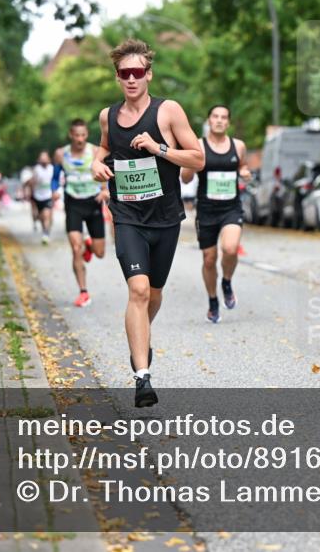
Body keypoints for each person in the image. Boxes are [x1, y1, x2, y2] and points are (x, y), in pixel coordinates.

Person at [91, 38, 204, 408]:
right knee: (137, 291)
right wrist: (96, 162)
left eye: (138, 72)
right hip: (126, 216)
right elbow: (105, 145)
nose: (132, 79)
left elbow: (198, 159)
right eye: (125, 73)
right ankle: (142, 378)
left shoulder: (168, 111)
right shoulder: (109, 116)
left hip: (166, 218)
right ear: (117, 78)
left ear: (149, 74)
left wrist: (159, 149)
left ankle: (141, 337)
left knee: (153, 294)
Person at [181, 105, 251, 323]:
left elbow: (242, 166)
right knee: (209, 259)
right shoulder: (199, 147)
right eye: (215, 117)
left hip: (231, 207)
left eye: (224, 117)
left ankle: (227, 282)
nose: (219, 120)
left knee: (230, 248)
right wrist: (192, 164)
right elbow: (185, 179)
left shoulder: (238, 146)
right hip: (207, 209)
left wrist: (244, 172)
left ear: (228, 122)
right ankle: (213, 300)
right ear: (209, 121)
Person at [54, 119, 109, 308]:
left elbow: (105, 171)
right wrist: (54, 190)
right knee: (75, 249)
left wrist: (104, 190)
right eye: (76, 135)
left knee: (100, 252)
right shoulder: (61, 154)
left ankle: (89, 244)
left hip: (93, 203)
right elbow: (55, 176)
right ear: (71, 135)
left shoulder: (94, 151)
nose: (80, 139)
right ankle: (83, 292)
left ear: (87, 135)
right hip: (73, 203)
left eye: (83, 135)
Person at [26, 152, 54, 244]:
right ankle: (45, 231)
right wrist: (29, 191)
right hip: (38, 196)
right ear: (39, 160)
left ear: (49, 159)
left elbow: (56, 180)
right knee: (42, 216)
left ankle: (46, 233)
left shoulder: (52, 169)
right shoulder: (37, 169)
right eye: (42, 158)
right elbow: (32, 182)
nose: (44, 160)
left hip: (48, 195)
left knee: (47, 215)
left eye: (45, 158)